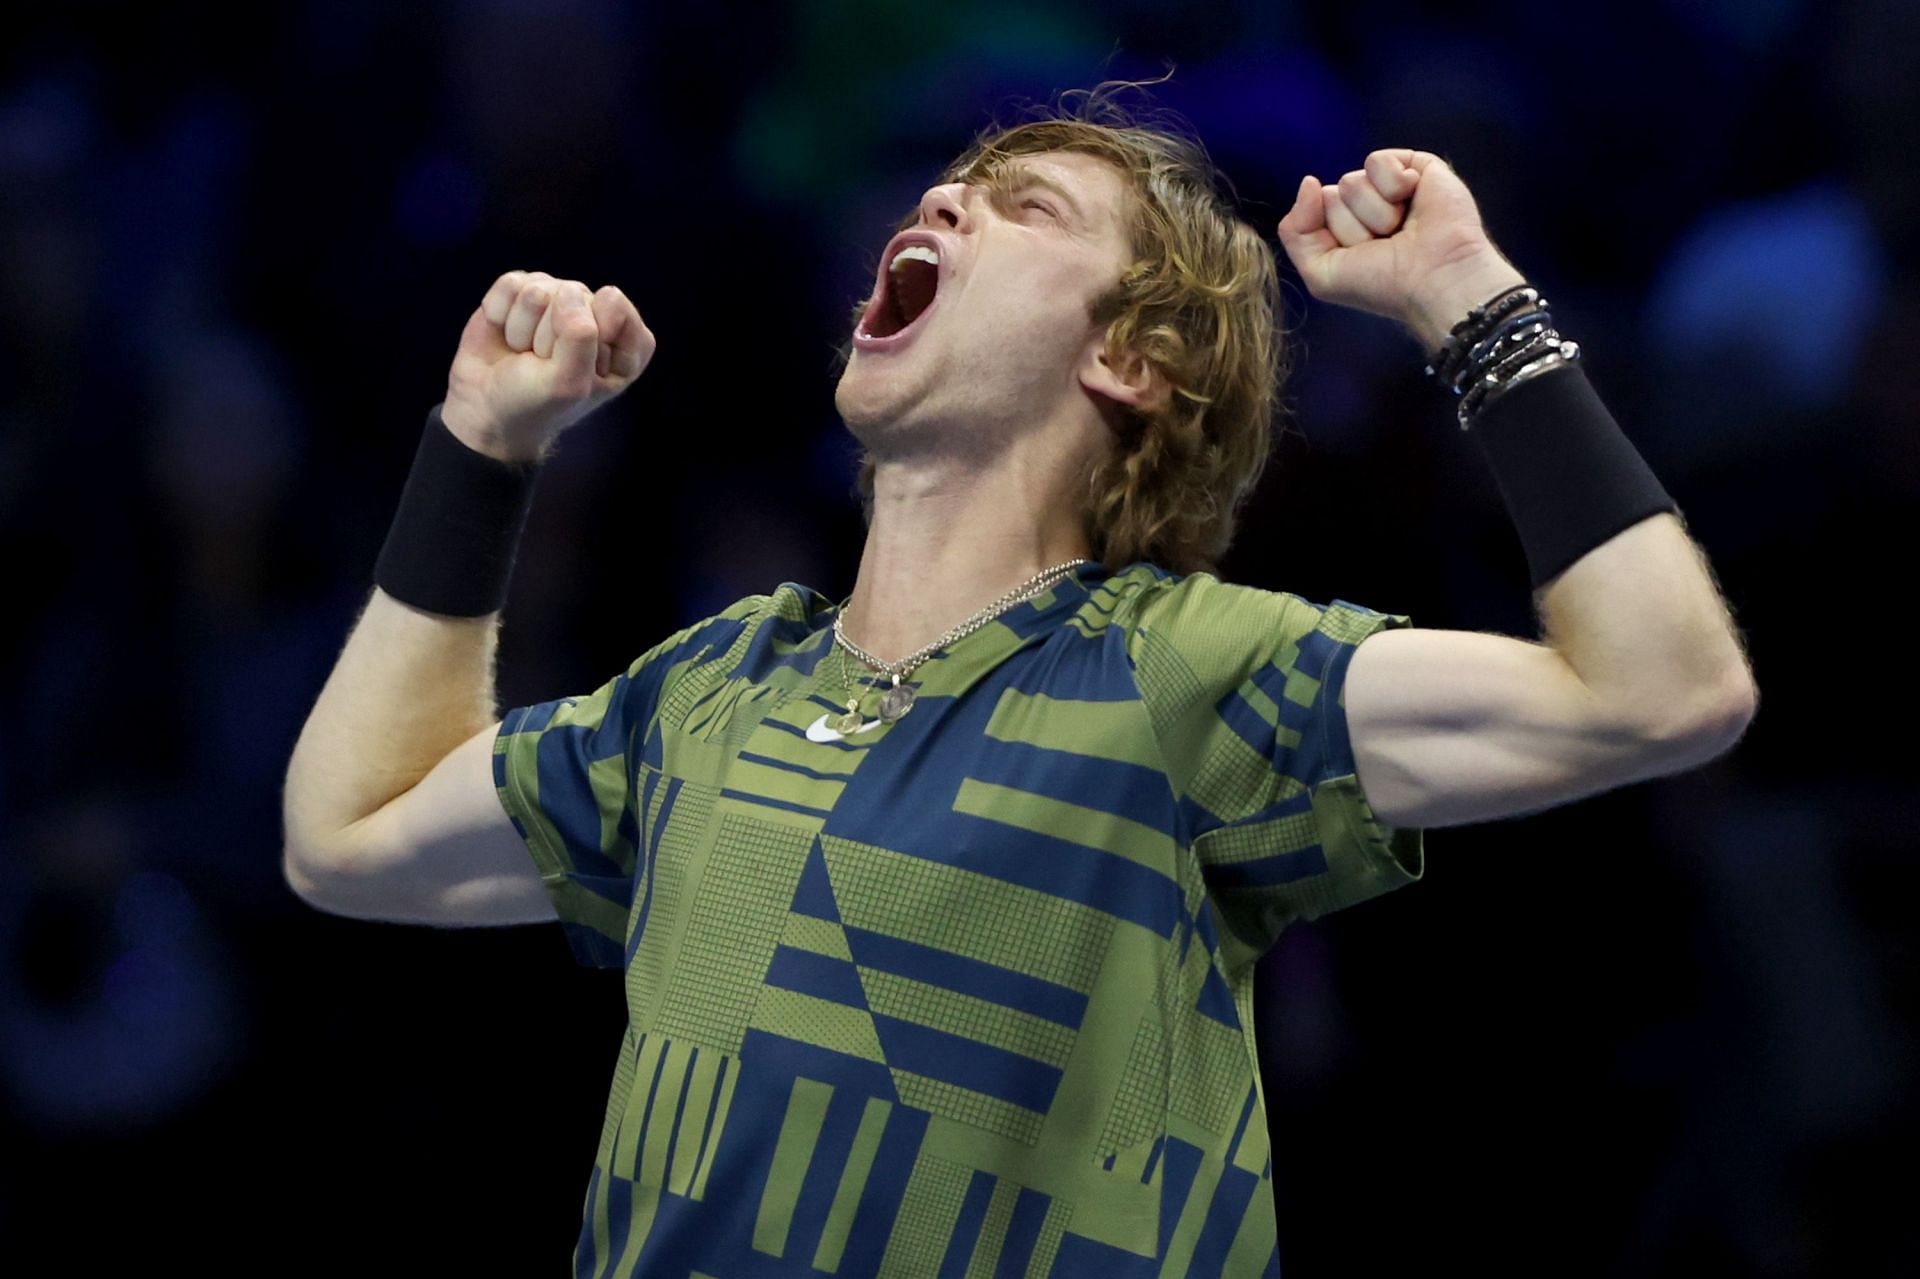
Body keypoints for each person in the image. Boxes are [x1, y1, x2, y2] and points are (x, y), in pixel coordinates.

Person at [281, 82, 1757, 1277]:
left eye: (1022, 207)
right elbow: (346, 837)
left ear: (1130, 361)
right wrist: (481, 452)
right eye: (945, 190)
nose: (936, 200)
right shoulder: (709, 688)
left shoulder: (1185, 667)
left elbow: (1662, 689)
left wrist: (1468, 299)